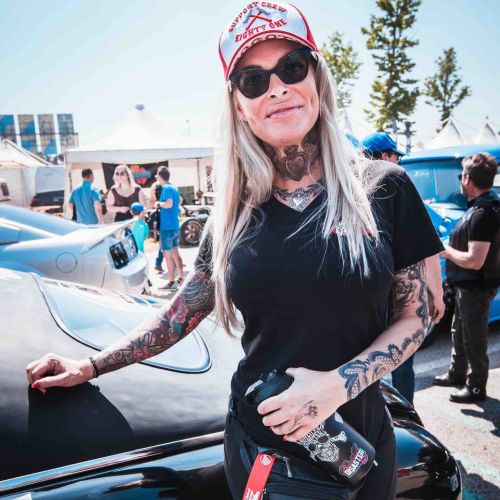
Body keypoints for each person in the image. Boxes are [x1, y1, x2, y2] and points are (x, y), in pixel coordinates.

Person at [26, 4, 444, 499]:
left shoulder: (385, 188)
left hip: (361, 443)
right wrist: (91, 365)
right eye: (253, 80)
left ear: (317, 78)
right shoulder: (233, 215)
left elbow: (421, 312)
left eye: (292, 67)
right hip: (265, 452)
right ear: (239, 106)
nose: (277, 88)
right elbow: (178, 315)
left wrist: (337, 385)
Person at [362, 132, 445, 404]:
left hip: (361, 299)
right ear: (386, 156)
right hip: (395, 296)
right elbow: (426, 250)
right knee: (400, 360)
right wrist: (437, 294)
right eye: (396, 156)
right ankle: (404, 413)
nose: (398, 162)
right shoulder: (396, 185)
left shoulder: (342, 189)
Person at [434, 152, 500, 403]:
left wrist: (444, 251)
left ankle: (476, 386)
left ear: (468, 179)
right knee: (460, 331)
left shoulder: (484, 212)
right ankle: (457, 373)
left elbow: (474, 261)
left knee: (473, 337)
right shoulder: (480, 207)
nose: (460, 180)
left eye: (462, 175)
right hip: (468, 286)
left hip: (476, 287)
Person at [155, 168, 184, 290]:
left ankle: (171, 283)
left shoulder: (166, 188)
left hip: (166, 227)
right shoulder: (174, 188)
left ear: (159, 177)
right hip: (175, 226)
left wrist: (158, 203)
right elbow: (180, 201)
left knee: (168, 256)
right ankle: (181, 278)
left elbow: (169, 204)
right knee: (176, 253)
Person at [149, 166, 169, 273]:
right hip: (168, 215)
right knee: (166, 240)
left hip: (159, 214)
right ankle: (158, 263)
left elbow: (152, 201)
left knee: (165, 239)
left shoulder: (154, 186)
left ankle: (168, 261)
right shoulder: (169, 185)